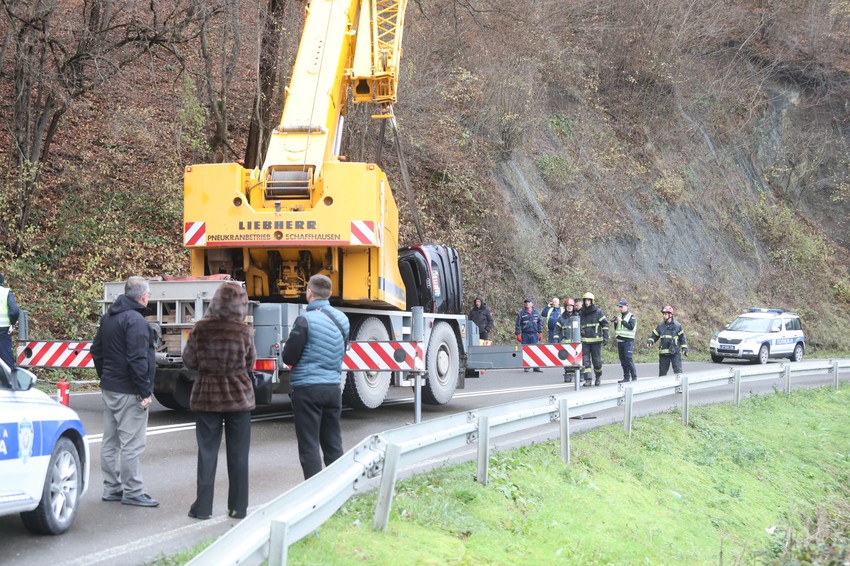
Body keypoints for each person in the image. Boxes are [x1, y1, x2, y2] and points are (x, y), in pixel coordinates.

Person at [181, 282, 256, 520]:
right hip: (239, 397)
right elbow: (250, 364)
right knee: (239, 455)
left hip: (207, 396)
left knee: (207, 453)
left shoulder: (201, 328)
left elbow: (189, 361)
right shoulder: (243, 331)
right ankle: (238, 508)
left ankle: (202, 508)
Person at [91, 276, 159, 507]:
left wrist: (105, 375)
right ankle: (133, 491)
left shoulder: (109, 317)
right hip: (130, 390)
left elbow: (96, 350)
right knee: (131, 444)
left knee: (110, 441)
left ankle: (112, 488)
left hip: (110, 387)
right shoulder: (136, 321)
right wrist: (144, 391)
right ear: (144, 296)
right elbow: (138, 359)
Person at [282, 274, 351, 479]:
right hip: (332, 388)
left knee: (309, 446)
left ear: (309, 292)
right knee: (333, 445)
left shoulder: (304, 320)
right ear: (329, 294)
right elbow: (342, 351)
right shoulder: (343, 320)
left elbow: (289, 356)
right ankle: (337, 490)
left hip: (307, 389)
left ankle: (314, 495)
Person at [646, 305, 688, 376]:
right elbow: (654, 336)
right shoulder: (660, 326)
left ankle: (680, 386)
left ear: (670, 315)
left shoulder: (677, 326)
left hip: (675, 353)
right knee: (662, 374)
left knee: (678, 372)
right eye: (663, 314)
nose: (664, 316)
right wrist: (651, 341)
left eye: (665, 314)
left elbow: (682, 338)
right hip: (664, 354)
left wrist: (684, 348)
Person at [579, 292, 608, 386]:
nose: (587, 302)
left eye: (589, 300)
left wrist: (605, 337)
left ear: (592, 301)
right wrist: (580, 331)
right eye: (585, 300)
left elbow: (605, 324)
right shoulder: (581, 313)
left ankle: (598, 377)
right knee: (585, 361)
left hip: (596, 341)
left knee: (597, 361)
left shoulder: (598, 312)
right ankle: (588, 379)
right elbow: (578, 325)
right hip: (585, 341)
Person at [554, 298, 580, 382]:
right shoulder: (561, 318)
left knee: (579, 360)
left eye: (571, 306)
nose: (569, 307)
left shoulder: (578, 316)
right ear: (565, 307)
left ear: (573, 307)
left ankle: (580, 375)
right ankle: (568, 374)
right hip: (566, 343)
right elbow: (556, 330)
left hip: (577, 343)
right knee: (567, 360)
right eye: (567, 306)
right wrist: (556, 340)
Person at [515, 298, 543, 373]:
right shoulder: (521, 313)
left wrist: (540, 332)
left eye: (529, 302)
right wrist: (518, 334)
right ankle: (527, 366)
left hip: (534, 334)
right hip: (525, 334)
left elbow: (540, 322)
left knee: (535, 350)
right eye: (526, 302)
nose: (527, 303)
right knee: (526, 350)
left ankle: (536, 367)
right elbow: (517, 324)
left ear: (532, 304)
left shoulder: (536, 312)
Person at [613, 299, 638, 383]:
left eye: (622, 307)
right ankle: (626, 377)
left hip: (628, 341)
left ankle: (634, 377)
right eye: (619, 307)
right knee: (623, 360)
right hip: (620, 341)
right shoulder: (620, 316)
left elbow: (631, 326)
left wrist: (622, 321)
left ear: (626, 306)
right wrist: (616, 322)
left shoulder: (631, 316)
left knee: (628, 359)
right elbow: (617, 329)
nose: (620, 308)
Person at [0, 273, 20, 369]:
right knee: (6, 359)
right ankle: (11, 381)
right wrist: (13, 322)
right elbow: (14, 311)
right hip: (2, 331)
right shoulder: (6, 292)